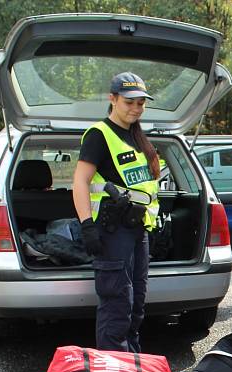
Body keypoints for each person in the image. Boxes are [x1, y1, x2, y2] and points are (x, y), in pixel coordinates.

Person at [72, 72, 160, 353]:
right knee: (117, 306)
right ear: (112, 99)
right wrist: (87, 225)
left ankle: (132, 371)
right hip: (111, 232)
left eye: (141, 103)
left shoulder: (137, 137)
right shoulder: (99, 134)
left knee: (136, 307)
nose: (136, 108)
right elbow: (80, 181)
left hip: (137, 230)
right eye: (129, 102)